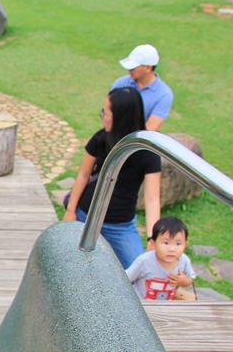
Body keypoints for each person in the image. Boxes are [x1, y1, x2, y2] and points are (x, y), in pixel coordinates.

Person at [63, 86, 162, 268]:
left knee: (140, 269)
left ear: (121, 116)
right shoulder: (101, 139)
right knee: (70, 264)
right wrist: (71, 211)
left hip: (121, 225)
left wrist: (152, 238)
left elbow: (152, 198)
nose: (102, 116)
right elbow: (83, 175)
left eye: (106, 112)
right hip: (87, 216)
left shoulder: (147, 151)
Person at [125, 217, 196, 300]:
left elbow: (191, 278)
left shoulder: (184, 260)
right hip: (140, 305)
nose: (172, 249)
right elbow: (125, 278)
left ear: (185, 245)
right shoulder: (144, 261)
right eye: (166, 243)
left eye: (178, 244)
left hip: (165, 306)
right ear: (153, 243)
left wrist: (183, 281)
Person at [111, 44, 173, 131]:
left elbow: (150, 128)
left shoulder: (164, 94)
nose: (129, 71)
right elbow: (109, 114)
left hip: (139, 141)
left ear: (148, 68)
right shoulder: (120, 83)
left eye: (133, 68)